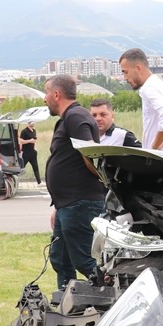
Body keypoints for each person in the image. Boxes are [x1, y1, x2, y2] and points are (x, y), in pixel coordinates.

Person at [43, 74, 105, 289]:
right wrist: (59, 205)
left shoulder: (76, 116)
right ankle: (66, 300)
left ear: (56, 94)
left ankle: (113, 295)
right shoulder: (69, 117)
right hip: (67, 203)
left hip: (80, 202)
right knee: (60, 258)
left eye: (46, 93)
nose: (44, 98)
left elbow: (91, 153)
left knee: (83, 260)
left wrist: (98, 177)